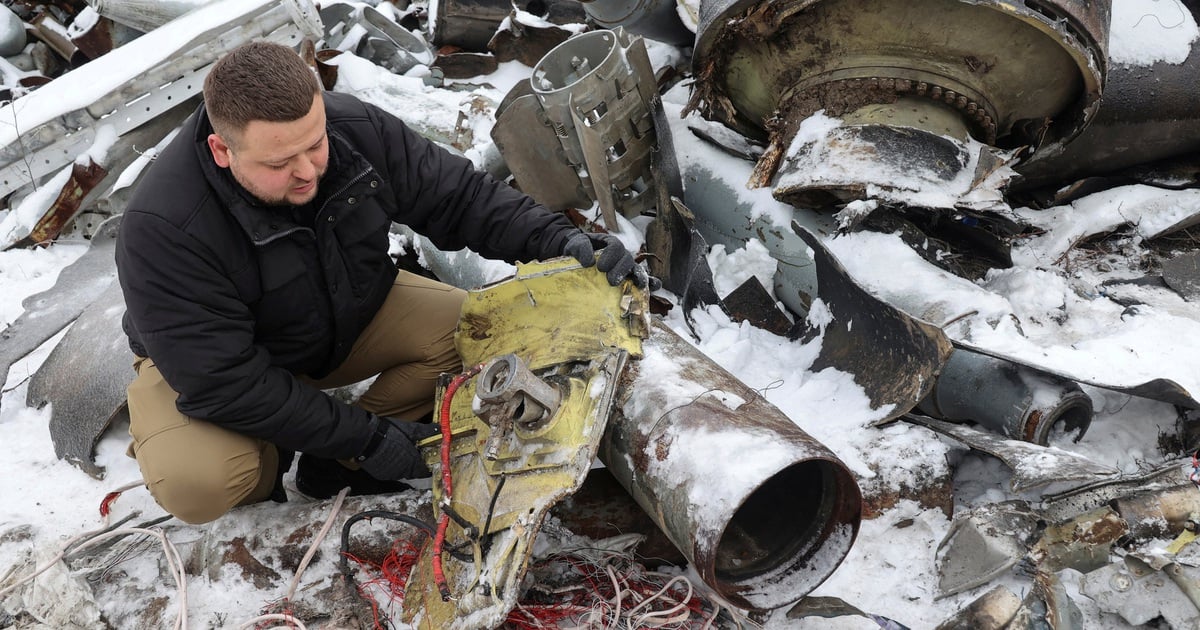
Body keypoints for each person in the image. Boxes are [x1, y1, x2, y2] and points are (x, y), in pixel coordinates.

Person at [115, 41, 645, 524]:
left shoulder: (356, 131)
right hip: (216, 365)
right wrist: (367, 439)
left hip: (345, 312)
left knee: (483, 332)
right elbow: (224, 382)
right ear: (221, 150)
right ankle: (269, 460)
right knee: (203, 482)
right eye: (280, 162)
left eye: (315, 144)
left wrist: (556, 238)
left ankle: (333, 463)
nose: (309, 171)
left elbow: (459, 198)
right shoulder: (162, 227)